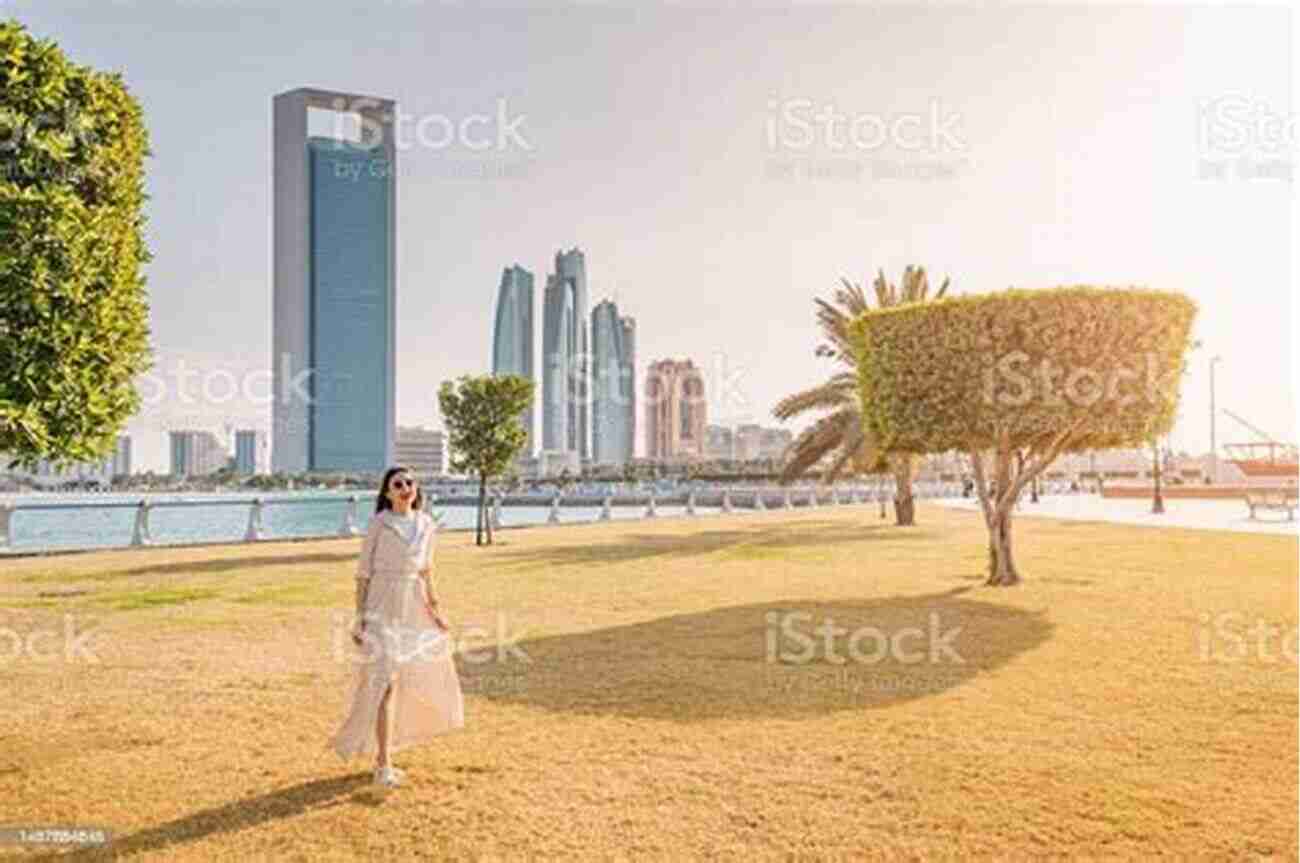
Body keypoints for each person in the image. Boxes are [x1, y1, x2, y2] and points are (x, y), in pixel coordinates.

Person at [328, 467, 464, 787]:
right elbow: (363, 574)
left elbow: (427, 571)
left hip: (414, 605)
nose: (405, 488)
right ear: (387, 493)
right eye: (397, 484)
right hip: (382, 603)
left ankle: (392, 746)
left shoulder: (427, 524)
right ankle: (383, 763)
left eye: (409, 483)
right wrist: (360, 617)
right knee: (383, 680)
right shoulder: (379, 524)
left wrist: (436, 610)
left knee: (415, 675)